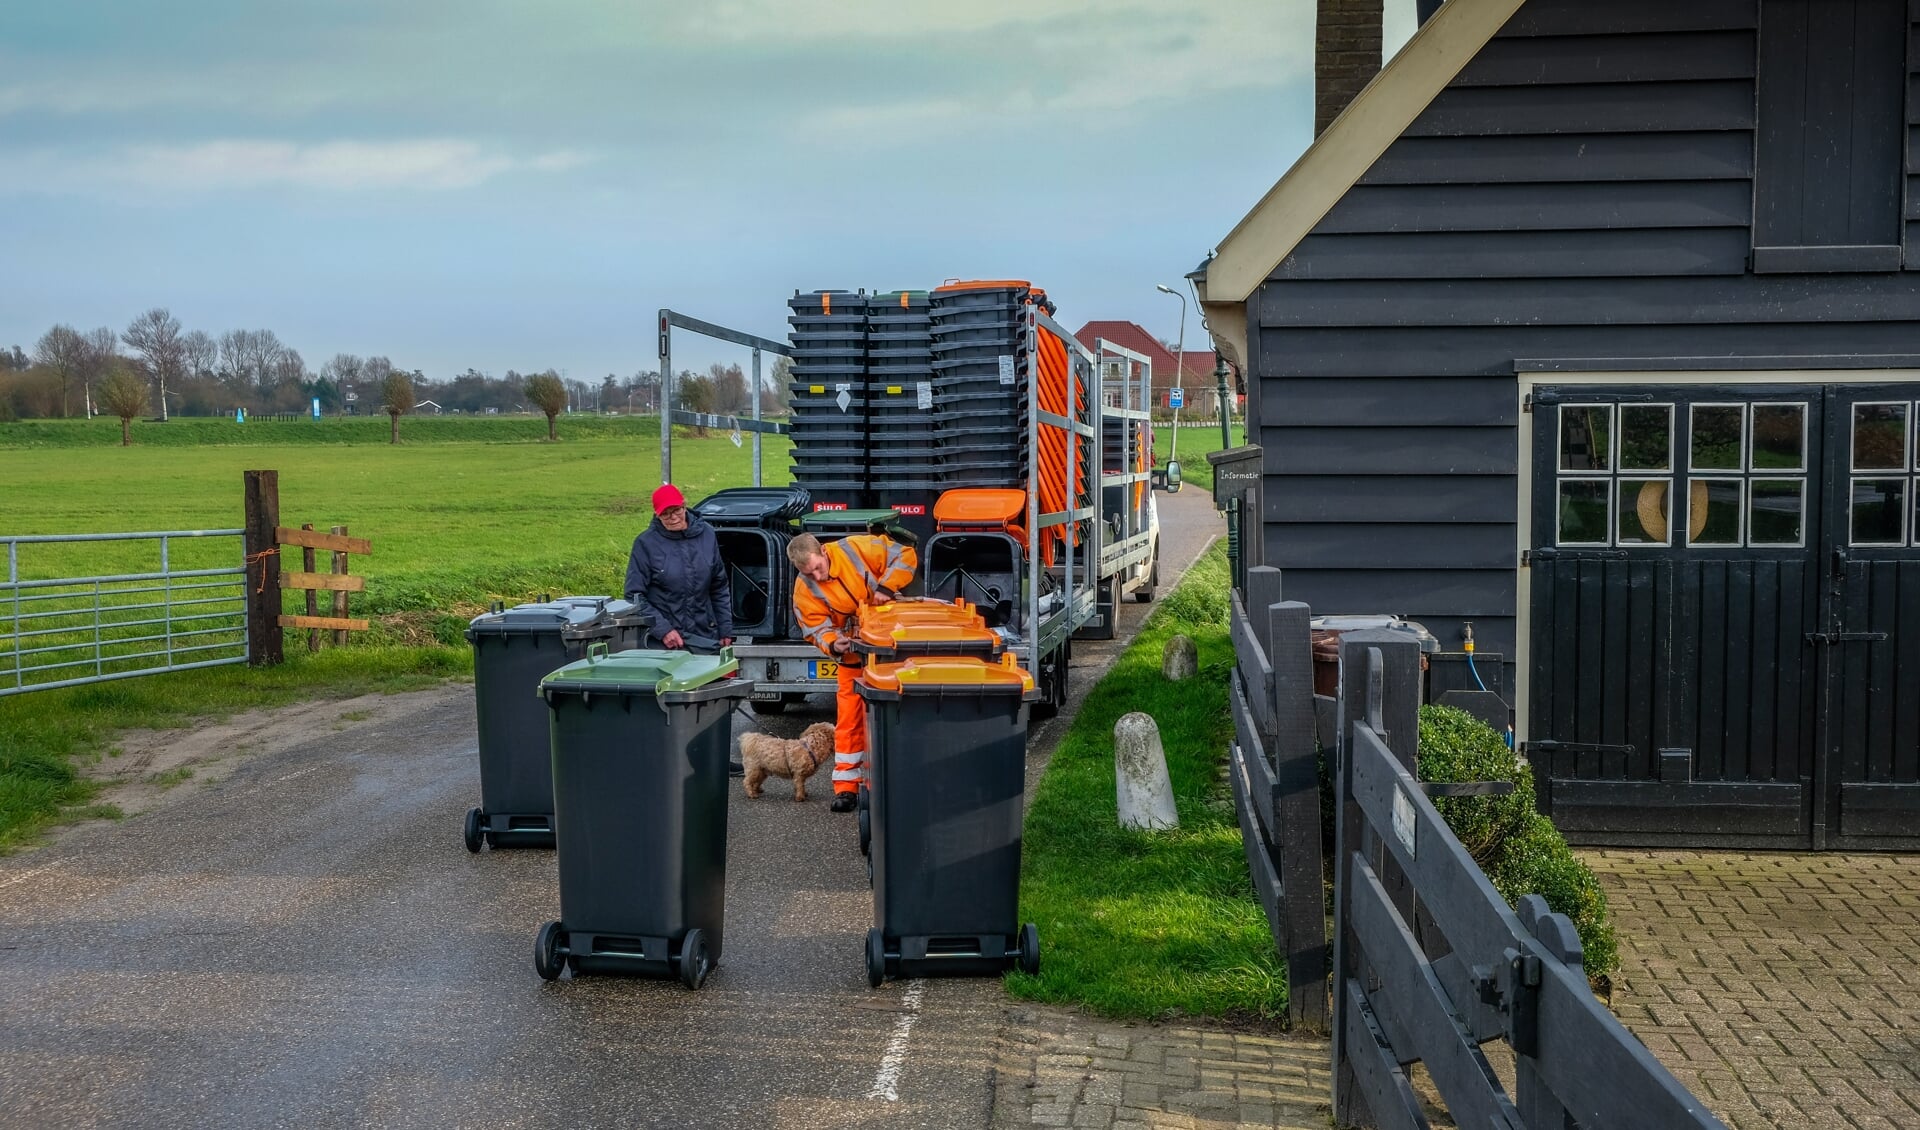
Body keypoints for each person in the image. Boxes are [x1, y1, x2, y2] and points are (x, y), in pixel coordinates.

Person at [788, 522, 917, 812]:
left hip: (892, 645)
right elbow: (814, 627)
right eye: (808, 573)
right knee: (849, 721)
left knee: (901, 711)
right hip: (853, 655)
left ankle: (901, 777)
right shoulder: (804, 588)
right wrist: (834, 644)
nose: (817, 577)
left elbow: (905, 555)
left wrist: (886, 586)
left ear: (823, 551)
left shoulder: (857, 548)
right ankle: (847, 788)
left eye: (818, 568)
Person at [625, 483, 739, 771]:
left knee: (712, 699)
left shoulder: (707, 535)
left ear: (684, 505)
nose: (673, 517)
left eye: (676, 510)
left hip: (704, 631)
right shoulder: (645, 544)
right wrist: (663, 629)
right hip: (665, 639)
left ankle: (715, 759)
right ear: (656, 515)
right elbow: (635, 595)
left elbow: (719, 585)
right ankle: (669, 762)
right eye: (665, 514)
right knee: (670, 704)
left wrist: (725, 629)